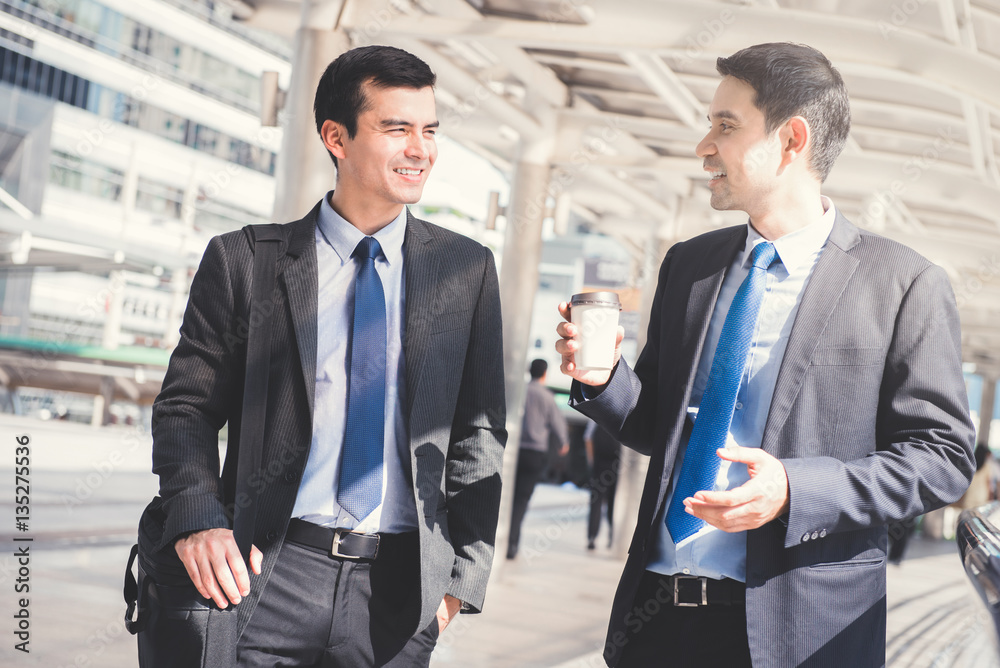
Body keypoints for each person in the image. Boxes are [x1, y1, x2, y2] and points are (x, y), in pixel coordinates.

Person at [555, 42, 975, 668]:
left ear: (792, 140)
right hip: (657, 621)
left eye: (725, 126)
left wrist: (795, 489)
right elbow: (657, 426)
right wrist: (602, 378)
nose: (704, 146)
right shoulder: (689, 266)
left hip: (798, 633)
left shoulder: (904, 285)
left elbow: (943, 458)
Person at [151, 45, 506, 666]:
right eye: (396, 129)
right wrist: (198, 517)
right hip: (263, 577)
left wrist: (458, 585)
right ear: (335, 137)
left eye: (428, 130)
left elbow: (478, 432)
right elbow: (186, 407)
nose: (420, 149)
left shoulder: (465, 269)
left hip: (396, 595)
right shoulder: (246, 262)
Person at [507, 358, 569, 559]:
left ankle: (499, 538)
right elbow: (558, 425)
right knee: (521, 500)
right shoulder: (547, 396)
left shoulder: (520, 390)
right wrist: (563, 443)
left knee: (506, 497)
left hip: (513, 452)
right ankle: (512, 543)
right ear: (544, 374)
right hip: (534, 455)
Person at [585, 421, 621, 550]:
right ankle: (612, 536)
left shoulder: (597, 413)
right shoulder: (623, 415)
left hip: (599, 464)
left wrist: (591, 461)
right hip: (616, 466)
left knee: (596, 501)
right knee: (613, 502)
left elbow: (588, 438)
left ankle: (592, 537)